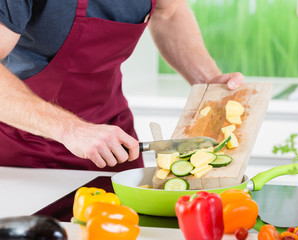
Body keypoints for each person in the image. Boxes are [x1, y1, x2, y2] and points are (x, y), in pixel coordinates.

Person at [0, 0, 244, 172]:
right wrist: (70, 129)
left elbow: (169, 11)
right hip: (24, 150)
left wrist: (207, 80)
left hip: (115, 140)